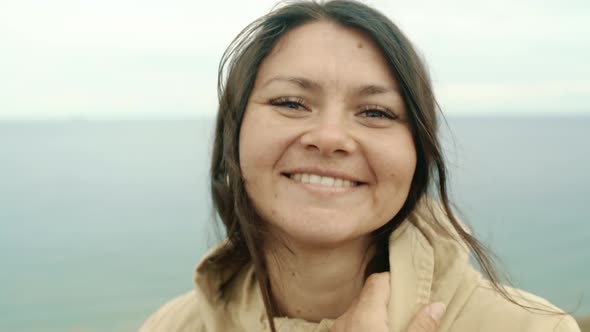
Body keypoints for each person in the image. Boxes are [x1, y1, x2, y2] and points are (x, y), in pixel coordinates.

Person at [140, 1, 580, 331]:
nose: (330, 138)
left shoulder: (532, 328)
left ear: (417, 155)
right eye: (291, 103)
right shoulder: (172, 326)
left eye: (375, 112)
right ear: (233, 136)